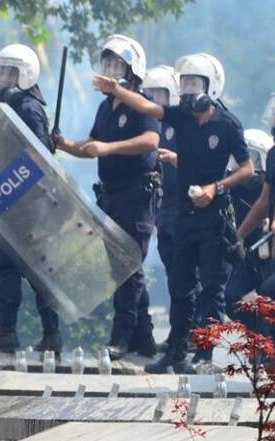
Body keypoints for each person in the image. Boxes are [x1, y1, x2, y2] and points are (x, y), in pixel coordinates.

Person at [94, 53, 253, 373]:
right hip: (185, 215)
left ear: (212, 86)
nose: (188, 90)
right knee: (180, 286)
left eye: (195, 83)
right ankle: (176, 352)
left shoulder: (228, 124)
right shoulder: (180, 116)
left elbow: (247, 169)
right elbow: (149, 108)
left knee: (211, 288)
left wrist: (216, 188)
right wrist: (117, 90)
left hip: (215, 217)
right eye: (184, 84)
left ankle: (207, 354)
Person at [53, 34, 160, 362]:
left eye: (116, 65)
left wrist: (109, 148)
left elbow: (151, 140)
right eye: (107, 64)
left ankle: (121, 338)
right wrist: (63, 143)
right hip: (110, 196)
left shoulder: (140, 102)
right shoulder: (104, 107)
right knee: (121, 267)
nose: (109, 70)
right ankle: (145, 340)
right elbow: (91, 146)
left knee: (129, 264)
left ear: (132, 70)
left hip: (136, 195)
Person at [0, 43, 62, 356]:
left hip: (29, 202)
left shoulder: (28, 108)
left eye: (11, 72)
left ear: (25, 75)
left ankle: (52, 336)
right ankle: (6, 333)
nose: (5, 78)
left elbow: (38, 159)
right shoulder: (7, 108)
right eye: (2, 72)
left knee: (37, 269)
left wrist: (10, 188)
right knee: (7, 268)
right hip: (9, 198)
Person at [142, 65, 187, 352]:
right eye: (150, 93)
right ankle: (174, 336)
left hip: (181, 206)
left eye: (161, 93)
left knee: (184, 277)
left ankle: (188, 336)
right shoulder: (145, 124)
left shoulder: (181, 124)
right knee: (171, 274)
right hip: (157, 205)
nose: (155, 99)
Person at [232, 128, 275, 329]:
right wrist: (239, 236)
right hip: (264, 247)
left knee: (268, 291)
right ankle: (260, 345)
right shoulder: (274, 155)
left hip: (265, 241)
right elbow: (264, 201)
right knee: (232, 295)